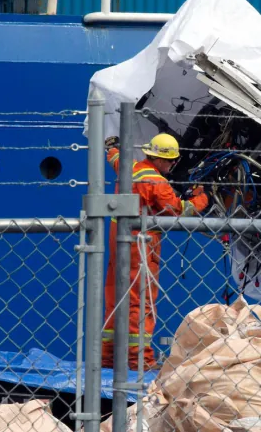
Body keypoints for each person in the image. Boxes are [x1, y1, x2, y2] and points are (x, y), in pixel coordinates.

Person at [101, 133, 210, 371]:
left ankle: (107, 359)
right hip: (140, 245)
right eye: (171, 161)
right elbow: (179, 211)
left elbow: (115, 157)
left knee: (114, 300)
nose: (172, 165)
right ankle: (140, 360)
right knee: (141, 303)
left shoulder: (130, 167)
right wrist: (201, 198)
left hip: (116, 238)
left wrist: (111, 147)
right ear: (160, 159)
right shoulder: (156, 182)